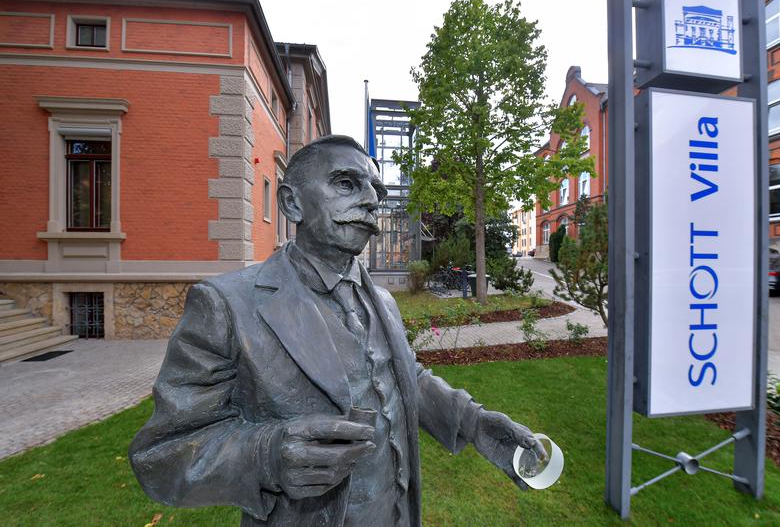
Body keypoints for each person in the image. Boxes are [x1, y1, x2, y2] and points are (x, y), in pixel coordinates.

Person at [129, 135, 546, 526]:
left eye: (376, 192)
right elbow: (161, 455)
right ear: (292, 204)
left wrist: (473, 422)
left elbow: (404, 381)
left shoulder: (381, 300)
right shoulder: (225, 304)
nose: (369, 201)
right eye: (346, 184)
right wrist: (266, 455)